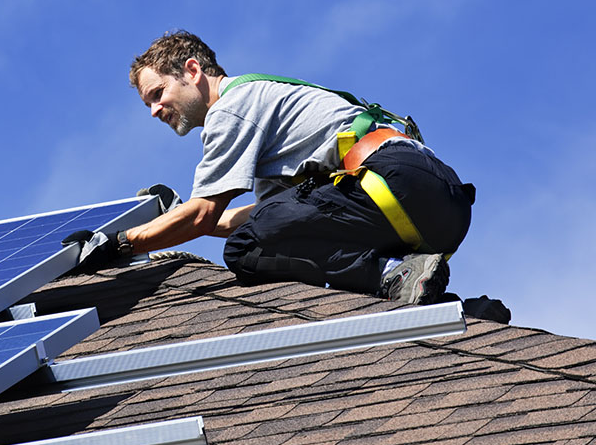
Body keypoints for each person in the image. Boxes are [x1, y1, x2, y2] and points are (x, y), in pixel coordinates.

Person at [62, 30, 474, 305]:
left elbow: (208, 214)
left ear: (192, 70)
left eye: (158, 93)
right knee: (261, 232)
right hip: (438, 205)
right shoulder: (265, 109)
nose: (154, 111)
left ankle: (390, 274)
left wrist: (119, 243)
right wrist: (175, 219)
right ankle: (441, 304)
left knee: (246, 251)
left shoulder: (231, 109)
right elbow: (250, 218)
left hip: (392, 186)